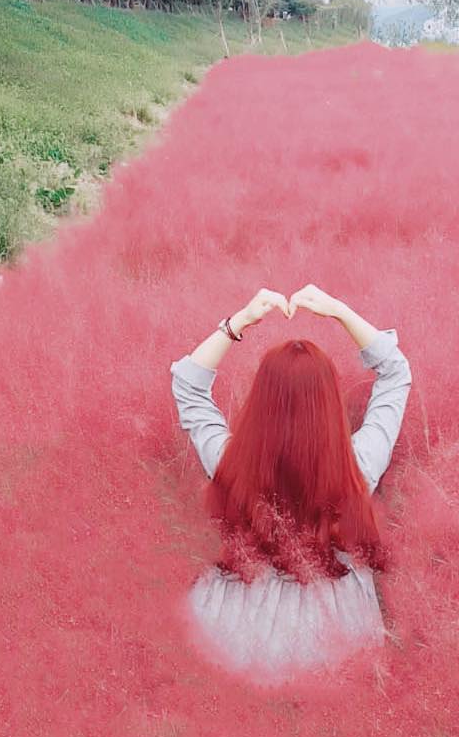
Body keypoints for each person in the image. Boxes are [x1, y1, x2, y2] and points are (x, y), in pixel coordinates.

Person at [169, 284, 412, 685]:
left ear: (260, 401)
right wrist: (338, 310)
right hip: (333, 627)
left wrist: (239, 322)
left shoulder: (232, 463)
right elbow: (395, 372)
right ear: (330, 402)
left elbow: (188, 386)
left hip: (237, 625)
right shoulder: (358, 466)